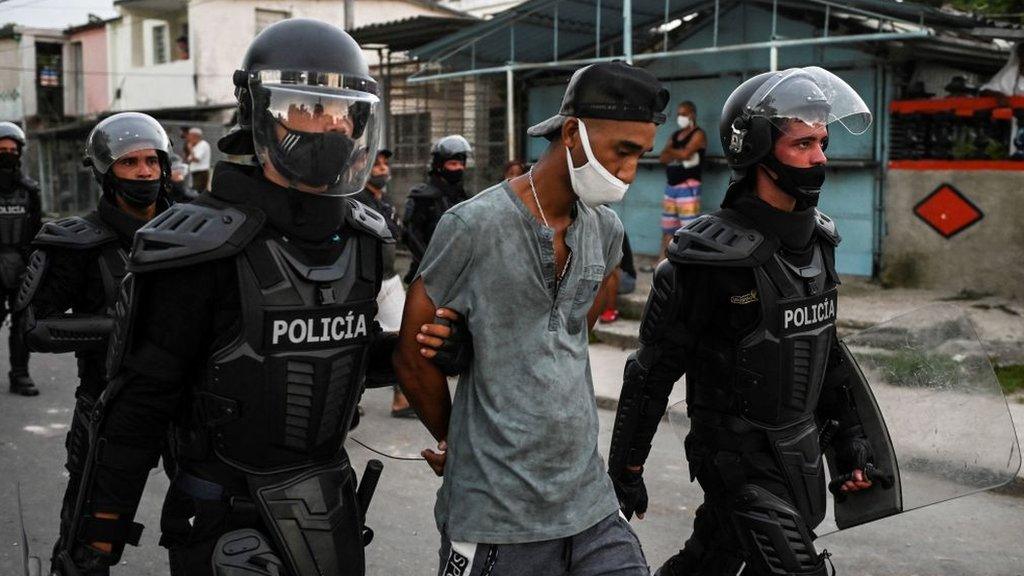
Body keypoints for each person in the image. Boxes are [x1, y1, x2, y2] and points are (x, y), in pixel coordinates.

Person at [57, 19, 403, 576]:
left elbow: (348, 356)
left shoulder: (366, 241)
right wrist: (99, 531)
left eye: (343, 114)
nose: (328, 129)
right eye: (305, 110)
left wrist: (423, 351)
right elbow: (141, 401)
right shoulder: (200, 246)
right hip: (226, 512)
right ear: (257, 114)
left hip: (327, 508)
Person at [394, 61, 669, 576]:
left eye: (641, 156)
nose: (630, 172)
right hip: (495, 515)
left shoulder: (605, 230)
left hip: (589, 503)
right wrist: (458, 441)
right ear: (572, 133)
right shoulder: (472, 225)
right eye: (623, 152)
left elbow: (572, 332)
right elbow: (412, 356)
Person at [607, 67, 878, 576]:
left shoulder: (821, 241)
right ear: (755, 150)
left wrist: (850, 441)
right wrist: (626, 466)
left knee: (710, 560)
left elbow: (825, 350)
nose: (820, 157)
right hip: (735, 459)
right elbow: (651, 372)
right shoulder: (707, 257)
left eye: (822, 141)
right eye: (802, 144)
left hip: (798, 454)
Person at [14, 112, 172, 576]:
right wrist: (121, 326)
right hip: (109, 405)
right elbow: (34, 326)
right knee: (88, 541)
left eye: (151, 161)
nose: (145, 172)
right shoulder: (77, 244)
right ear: (107, 172)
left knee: (208, 529)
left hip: (186, 407)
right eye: (130, 163)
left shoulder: (191, 235)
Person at [354, 148, 414, 417]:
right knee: (355, 340)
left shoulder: (385, 202)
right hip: (360, 281)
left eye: (384, 164)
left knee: (405, 335)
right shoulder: (354, 199)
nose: (382, 168)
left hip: (388, 280)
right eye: (374, 164)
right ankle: (349, 398)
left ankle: (402, 399)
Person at [0, 121, 41, 396]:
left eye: (11, 149)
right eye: (1, 149)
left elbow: (38, 231)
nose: (6, 153)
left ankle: (20, 374)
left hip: (21, 265)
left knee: (22, 324)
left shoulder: (30, 191)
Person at [402, 134, 471, 283]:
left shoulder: (463, 196)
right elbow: (411, 235)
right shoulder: (422, 197)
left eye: (461, 164)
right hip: (428, 273)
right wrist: (431, 265)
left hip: (460, 273)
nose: (458, 168)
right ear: (440, 166)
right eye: (453, 164)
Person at [653, 101, 706, 266]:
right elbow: (662, 157)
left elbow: (685, 153)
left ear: (692, 114)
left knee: (689, 228)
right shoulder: (675, 135)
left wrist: (673, 153)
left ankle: (689, 264)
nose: (680, 117)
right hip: (671, 187)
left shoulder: (698, 134)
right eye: (678, 114)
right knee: (668, 227)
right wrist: (679, 154)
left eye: (683, 114)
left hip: (688, 187)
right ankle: (661, 262)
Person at [185, 127, 211, 193]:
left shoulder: (203, 145)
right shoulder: (196, 146)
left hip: (200, 173)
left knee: (197, 192)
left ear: (195, 136)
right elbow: (189, 159)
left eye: (190, 136)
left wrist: (190, 149)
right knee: (194, 191)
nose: (188, 138)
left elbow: (196, 159)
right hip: (195, 172)